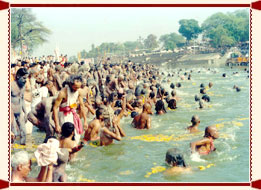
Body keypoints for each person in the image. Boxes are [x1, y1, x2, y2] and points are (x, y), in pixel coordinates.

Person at [53, 75, 88, 144]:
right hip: (63, 115)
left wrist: (85, 121)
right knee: (64, 136)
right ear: (70, 84)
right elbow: (55, 108)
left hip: (73, 114)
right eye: (75, 87)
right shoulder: (62, 93)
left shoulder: (79, 91)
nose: (77, 89)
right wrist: (57, 124)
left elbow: (82, 106)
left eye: (78, 87)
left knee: (76, 135)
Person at [11, 68, 28, 145]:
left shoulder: (23, 86)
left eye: (26, 78)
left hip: (19, 112)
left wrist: (26, 112)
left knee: (24, 132)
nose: (25, 80)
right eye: (24, 78)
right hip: (11, 113)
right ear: (18, 76)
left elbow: (22, 99)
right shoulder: (11, 86)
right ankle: (11, 151)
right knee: (13, 133)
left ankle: (23, 150)